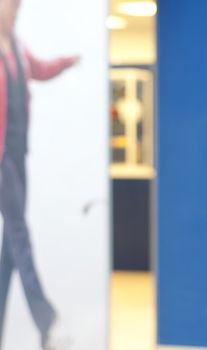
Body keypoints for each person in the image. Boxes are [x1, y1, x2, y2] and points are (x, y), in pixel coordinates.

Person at [0, 0, 79, 349]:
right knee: (19, 233)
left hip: (18, 155)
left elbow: (40, 69)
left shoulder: (16, 46)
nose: (13, 13)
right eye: (8, 7)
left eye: (17, 9)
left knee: (9, 251)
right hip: (0, 157)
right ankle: (45, 319)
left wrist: (65, 62)